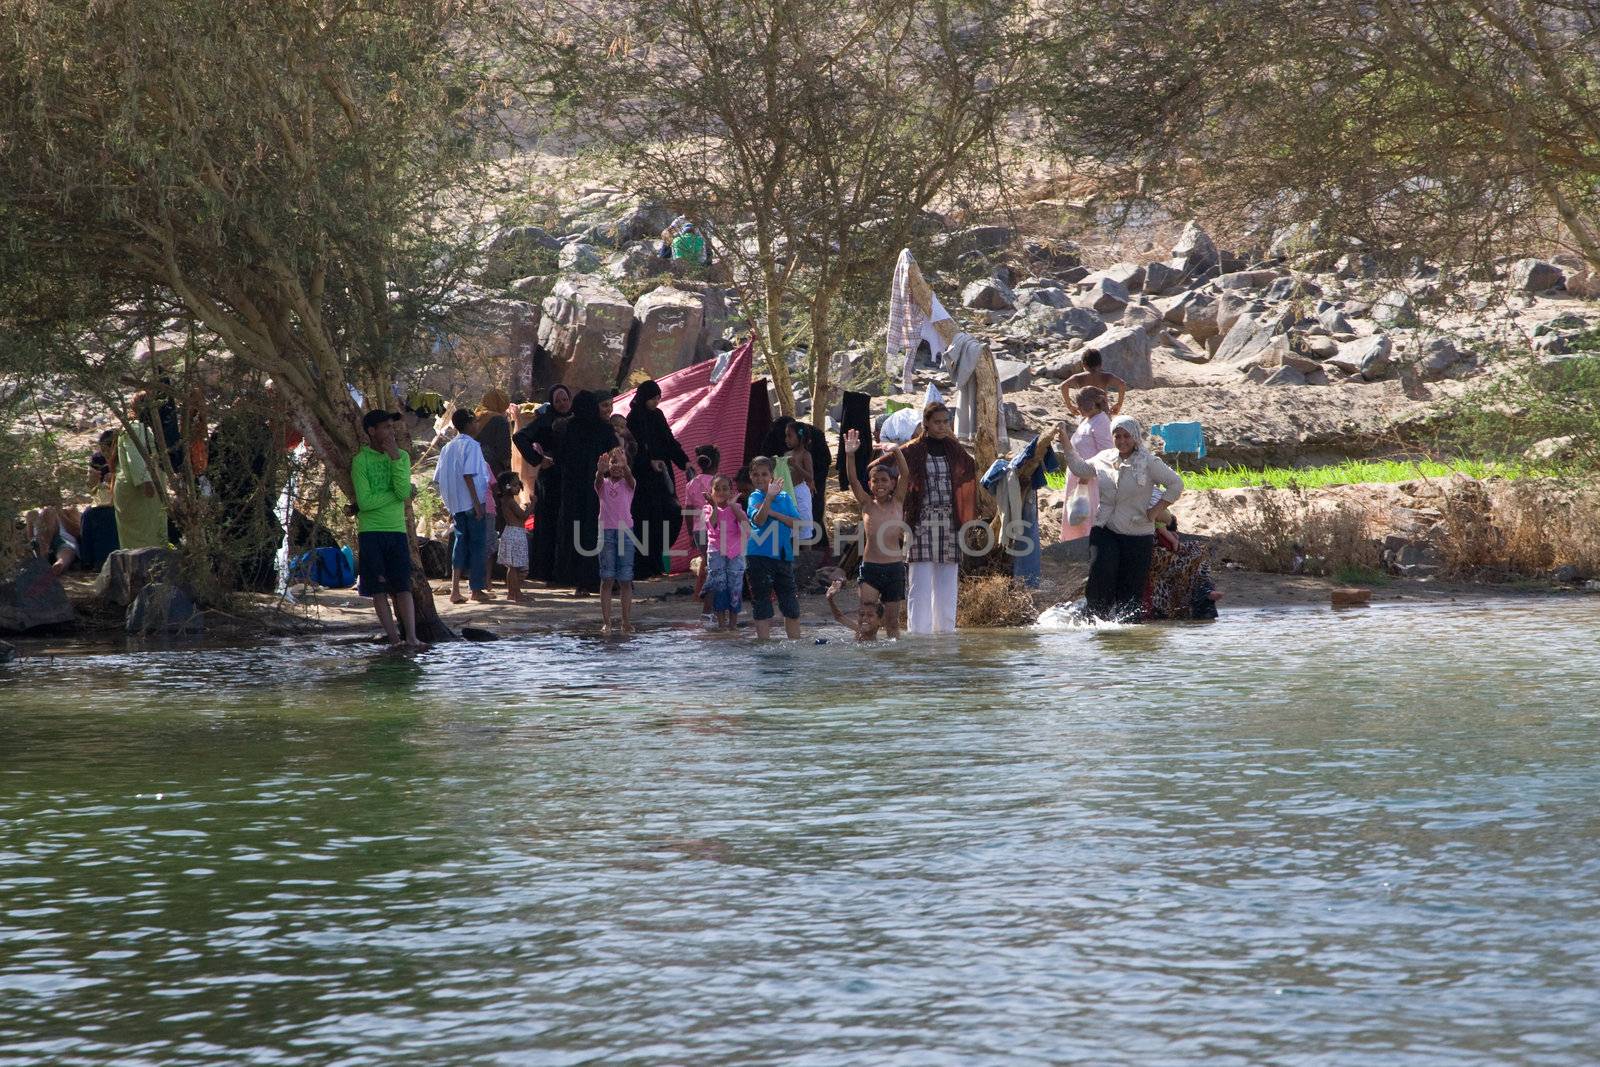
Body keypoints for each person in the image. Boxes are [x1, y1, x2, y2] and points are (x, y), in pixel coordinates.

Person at [1058, 414, 1185, 621]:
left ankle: (1127, 634)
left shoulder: (1149, 462)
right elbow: (1080, 469)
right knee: (1100, 574)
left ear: (1135, 437)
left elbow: (1176, 484)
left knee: (1130, 588)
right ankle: (1095, 623)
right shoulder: (1104, 458)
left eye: (1127, 436)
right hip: (1105, 528)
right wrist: (1065, 440)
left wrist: (1154, 511)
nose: (1122, 441)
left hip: (1138, 533)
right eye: (1117, 436)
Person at [899, 403, 977, 634]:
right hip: (920, 522)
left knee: (947, 585)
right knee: (919, 584)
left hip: (949, 523)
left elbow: (971, 470)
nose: (943, 426)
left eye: (946, 422)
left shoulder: (954, 449)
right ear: (926, 424)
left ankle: (945, 637)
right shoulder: (911, 450)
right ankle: (918, 638)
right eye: (937, 422)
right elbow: (883, 469)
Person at [351, 409, 424, 649]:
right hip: (371, 531)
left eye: (391, 428)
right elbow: (365, 502)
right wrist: (393, 495)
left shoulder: (400, 456)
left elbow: (403, 493)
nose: (390, 432)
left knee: (403, 586)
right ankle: (394, 639)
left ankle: (411, 638)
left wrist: (394, 460)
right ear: (372, 431)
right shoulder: (361, 460)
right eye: (385, 427)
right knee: (378, 589)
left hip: (396, 530)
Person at [550, 390, 619, 595]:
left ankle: (580, 582)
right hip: (599, 490)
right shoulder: (604, 430)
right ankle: (603, 577)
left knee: (576, 533)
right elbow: (615, 456)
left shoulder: (568, 429)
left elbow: (559, 458)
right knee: (598, 533)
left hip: (573, 490)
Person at [843, 429, 909, 639]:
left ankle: (892, 661)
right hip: (870, 568)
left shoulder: (897, 501)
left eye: (884, 480)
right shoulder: (866, 504)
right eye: (875, 481)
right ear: (869, 484)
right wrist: (850, 454)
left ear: (892, 483)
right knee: (865, 619)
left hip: (894, 569)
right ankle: (865, 662)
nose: (879, 484)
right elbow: (853, 480)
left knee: (891, 623)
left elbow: (906, 474)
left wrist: (896, 451)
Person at [626, 379, 690, 580]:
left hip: (661, 478)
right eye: (653, 398)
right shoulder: (634, 418)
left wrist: (684, 462)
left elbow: (668, 441)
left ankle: (657, 563)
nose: (656, 402)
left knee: (668, 515)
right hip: (643, 481)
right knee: (646, 520)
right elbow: (633, 449)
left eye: (658, 398)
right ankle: (644, 567)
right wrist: (648, 461)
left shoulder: (658, 415)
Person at [511, 384, 572, 584]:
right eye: (558, 401)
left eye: (565, 399)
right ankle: (546, 570)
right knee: (549, 523)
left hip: (571, 478)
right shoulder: (545, 420)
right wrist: (538, 459)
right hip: (550, 478)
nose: (563, 404)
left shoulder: (577, 419)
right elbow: (519, 436)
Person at [434, 406, 494, 604]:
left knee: (459, 545)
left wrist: (450, 503)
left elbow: (439, 478)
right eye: (475, 422)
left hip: (456, 505)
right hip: (471, 503)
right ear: (468, 424)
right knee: (477, 545)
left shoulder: (447, 448)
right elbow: (468, 475)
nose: (477, 425)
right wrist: (477, 504)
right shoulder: (472, 446)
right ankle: (476, 589)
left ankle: (455, 588)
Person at [745, 455, 803, 640]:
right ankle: (764, 645)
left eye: (764, 474)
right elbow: (760, 520)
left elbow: (797, 524)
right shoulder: (754, 497)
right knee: (762, 602)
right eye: (755, 474)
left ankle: (794, 644)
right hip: (758, 557)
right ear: (751, 476)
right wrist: (768, 499)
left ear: (771, 475)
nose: (760, 478)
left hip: (783, 557)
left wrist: (774, 513)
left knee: (790, 605)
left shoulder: (785, 497)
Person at [113, 394, 169, 550]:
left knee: (153, 534)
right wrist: (146, 481)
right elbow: (136, 456)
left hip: (148, 489)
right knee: (142, 541)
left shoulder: (145, 428)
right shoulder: (135, 427)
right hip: (140, 491)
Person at [1061, 386, 1114, 542]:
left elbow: (1106, 453)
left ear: (1091, 403)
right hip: (1078, 475)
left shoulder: (1102, 421)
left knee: (1087, 517)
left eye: (1080, 404)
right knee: (1076, 515)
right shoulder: (1087, 420)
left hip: (1090, 479)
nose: (1078, 408)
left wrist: (1086, 475)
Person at [595, 446, 637, 635]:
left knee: (625, 579)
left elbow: (629, 478)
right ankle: (607, 622)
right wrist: (600, 470)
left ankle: (626, 621)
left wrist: (625, 465)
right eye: (613, 462)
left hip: (625, 533)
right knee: (607, 578)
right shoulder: (602, 483)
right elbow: (597, 482)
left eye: (620, 461)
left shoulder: (629, 484)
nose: (617, 466)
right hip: (606, 533)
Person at [701, 473, 750, 631]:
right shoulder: (707, 508)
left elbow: (745, 525)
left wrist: (734, 506)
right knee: (719, 586)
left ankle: (733, 624)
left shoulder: (737, 507)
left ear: (730, 491)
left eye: (725, 489)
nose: (721, 492)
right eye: (717, 489)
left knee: (735, 586)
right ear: (711, 491)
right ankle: (722, 624)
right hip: (716, 551)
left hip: (736, 552)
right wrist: (715, 506)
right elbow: (711, 524)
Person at [684, 444, 720, 623]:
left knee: (707, 564)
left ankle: (701, 597)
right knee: (713, 566)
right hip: (715, 530)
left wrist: (690, 535)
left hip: (698, 530)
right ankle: (707, 604)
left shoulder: (692, 483)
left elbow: (688, 512)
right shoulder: (718, 483)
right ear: (716, 463)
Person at [80, 429, 120, 571]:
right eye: (102, 449)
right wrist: (92, 481)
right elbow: (92, 489)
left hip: (121, 499)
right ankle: (87, 559)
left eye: (106, 449)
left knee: (108, 517)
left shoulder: (123, 458)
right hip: (103, 498)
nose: (104, 453)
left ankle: (105, 559)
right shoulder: (98, 459)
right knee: (87, 515)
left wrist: (114, 477)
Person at [494, 470, 530, 604]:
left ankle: (512, 593)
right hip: (515, 533)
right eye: (514, 485)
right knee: (515, 567)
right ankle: (517, 593)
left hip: (510, 532)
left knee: (511, 567)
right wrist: (532, 505)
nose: (517, 487)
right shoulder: (510, 501)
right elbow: (524, 516)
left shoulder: (505, 500)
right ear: (507, 486)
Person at [1058, 349, 1127, 415]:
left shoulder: (1078, 377)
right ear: (1100, 364)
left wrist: (1069, 406)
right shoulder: (1106, 376)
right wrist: (1119, 404)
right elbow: (1122, 384)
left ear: (1083, 364)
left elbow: (1063, 386)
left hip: (1086, 410)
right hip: (1102, 409)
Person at [475, 388, 514, 478]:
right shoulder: (499, 420)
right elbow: (504, 448)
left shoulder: (476, 416)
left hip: (473, 466)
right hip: (493, 468)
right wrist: (508, 468)